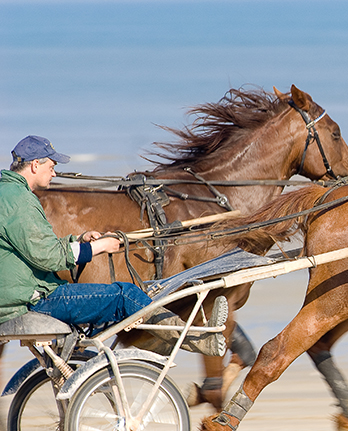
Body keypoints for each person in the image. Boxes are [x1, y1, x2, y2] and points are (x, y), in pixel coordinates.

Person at [0, 135, 226, 356]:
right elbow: (47, 256)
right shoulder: (20, 200)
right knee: (126, 295)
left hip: (23, 295)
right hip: (32, 300)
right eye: (51, 166)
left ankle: (170, 339)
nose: (54, 173)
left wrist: (79, 241)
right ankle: (196, 339)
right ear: (35, 164)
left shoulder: (8, 193)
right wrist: (100, 247)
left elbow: (32, 246)